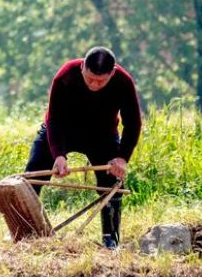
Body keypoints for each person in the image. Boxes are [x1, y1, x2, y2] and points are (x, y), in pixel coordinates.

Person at [25, 46, 142, 249]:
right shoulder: (65, 75)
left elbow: (133, 123)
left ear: (112, 73)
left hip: (102, 134)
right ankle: (26, 233)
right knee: (33, 173)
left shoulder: (123, 81)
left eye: (101, 81)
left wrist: (122, 158)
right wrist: (58, 155)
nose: (94, 85)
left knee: (112, 182)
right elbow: (53, 119)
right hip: (62, 130)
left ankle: (110, 239)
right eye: (90, 79)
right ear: (82, 68)